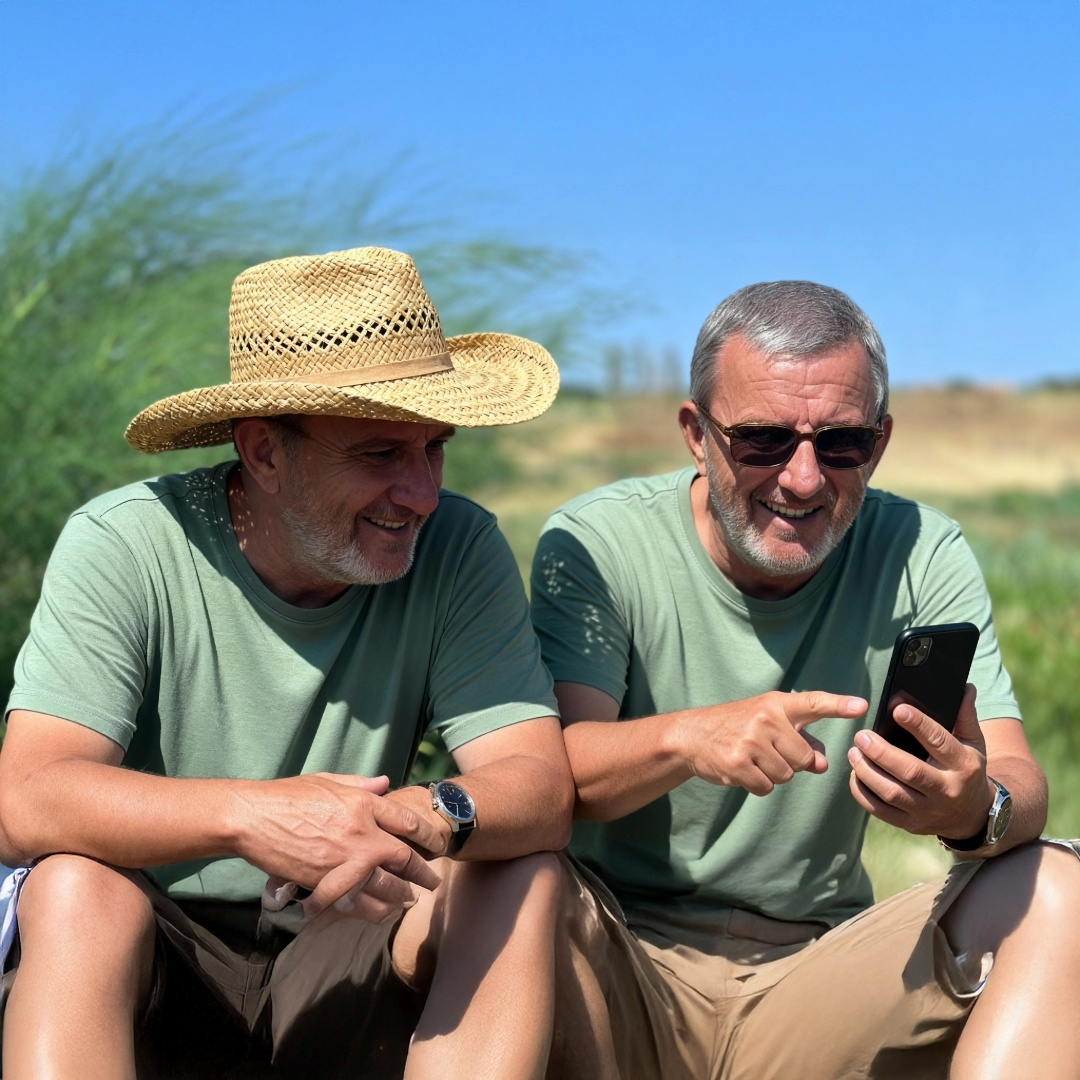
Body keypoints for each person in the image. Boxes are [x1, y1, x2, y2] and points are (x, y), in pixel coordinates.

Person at [0, 246, 574, 1080]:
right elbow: (25, 797)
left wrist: (424, 814)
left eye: (434, 449)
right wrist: (258, 818)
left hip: (342, 938)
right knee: (75, 889)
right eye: (380, 455)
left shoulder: (458, 545)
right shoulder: (127, 543)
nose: (420, 492)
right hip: (158, 952)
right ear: (264, 452)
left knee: (518, 868)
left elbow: (540, 785)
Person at [530, 280, 1080, 1080]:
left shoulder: (922, 549)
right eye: (760, 440)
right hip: (619, 959)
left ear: (880, 443)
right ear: (695, 433)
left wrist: (973, 810)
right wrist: (689, 737)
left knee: (1057, 889)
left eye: (841, 444)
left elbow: (1019, 781)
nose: (803, 479)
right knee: (507, 877)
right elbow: (547, 780)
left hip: (816, 974)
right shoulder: (599, 542)